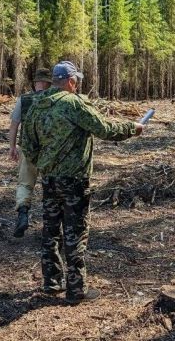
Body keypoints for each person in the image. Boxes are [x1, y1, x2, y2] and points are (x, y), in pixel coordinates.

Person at [21, 61, 144, 304]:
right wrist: (133, 128)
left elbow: (28, 144)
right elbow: (105, 128)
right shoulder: (73, 103)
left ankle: (52, 281)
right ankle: (76, 290)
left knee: (51, 230)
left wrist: (45, 164)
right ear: (70, 81)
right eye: (76, 81)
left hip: (50, 180)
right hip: (74, 180)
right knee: (75, 233)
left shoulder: (36, 105)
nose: (77, 85)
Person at [9, 68, 53, 237]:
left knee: (25, 184)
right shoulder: (55, 99)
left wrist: (12, 146)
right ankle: (50, 224)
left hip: (28, 148)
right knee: (51, 186)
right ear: (49, 83)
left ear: (36, 83)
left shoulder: (24, 99)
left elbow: (14, 124)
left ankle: (23, 214)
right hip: (50, 150)